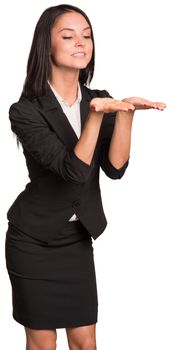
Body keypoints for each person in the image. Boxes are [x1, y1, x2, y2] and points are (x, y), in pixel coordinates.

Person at [5, 4, 166, 350]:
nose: (81, 42)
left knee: (85, 342)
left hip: (76, 239)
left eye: (87, 35)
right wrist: (96, 116)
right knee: (43, 344)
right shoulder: (26, 111)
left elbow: (115, 168)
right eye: (68, 36)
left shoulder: (99, 99)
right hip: (33, 241)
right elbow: (73, 170)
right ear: (46, 46)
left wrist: (126, 114)